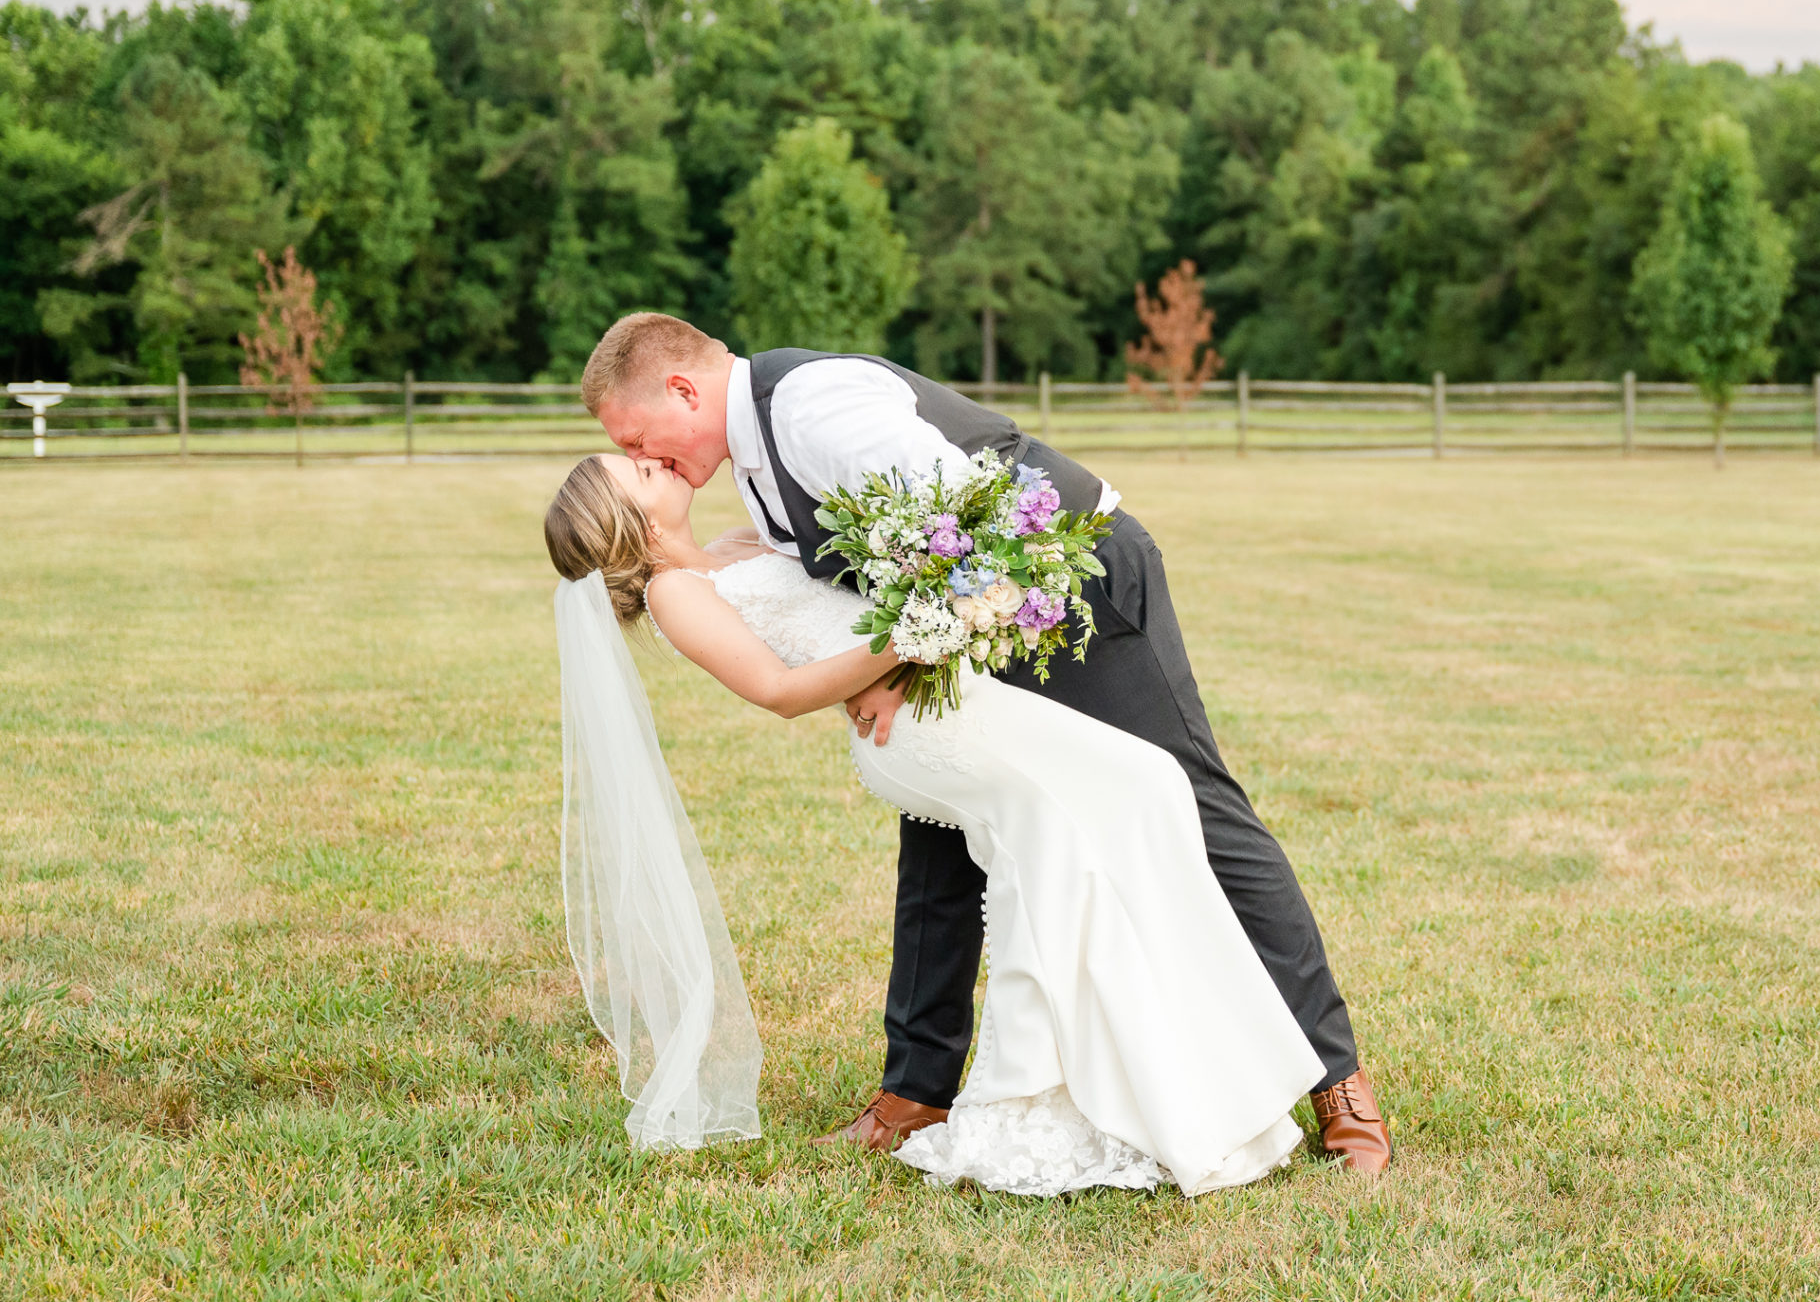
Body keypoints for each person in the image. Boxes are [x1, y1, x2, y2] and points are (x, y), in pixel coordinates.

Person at [578, 312, 1391, 1173]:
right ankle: (917, 1089)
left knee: (1194, 801)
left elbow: (981, 518)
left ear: (682, 389)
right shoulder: (750, 465)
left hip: (1074, 584)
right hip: (971, 619)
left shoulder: (812, 408)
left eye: (638, 437)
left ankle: (1339, 1085)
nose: (650, 457)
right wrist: (897, 658)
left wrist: (912, 648)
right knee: (938, 834)